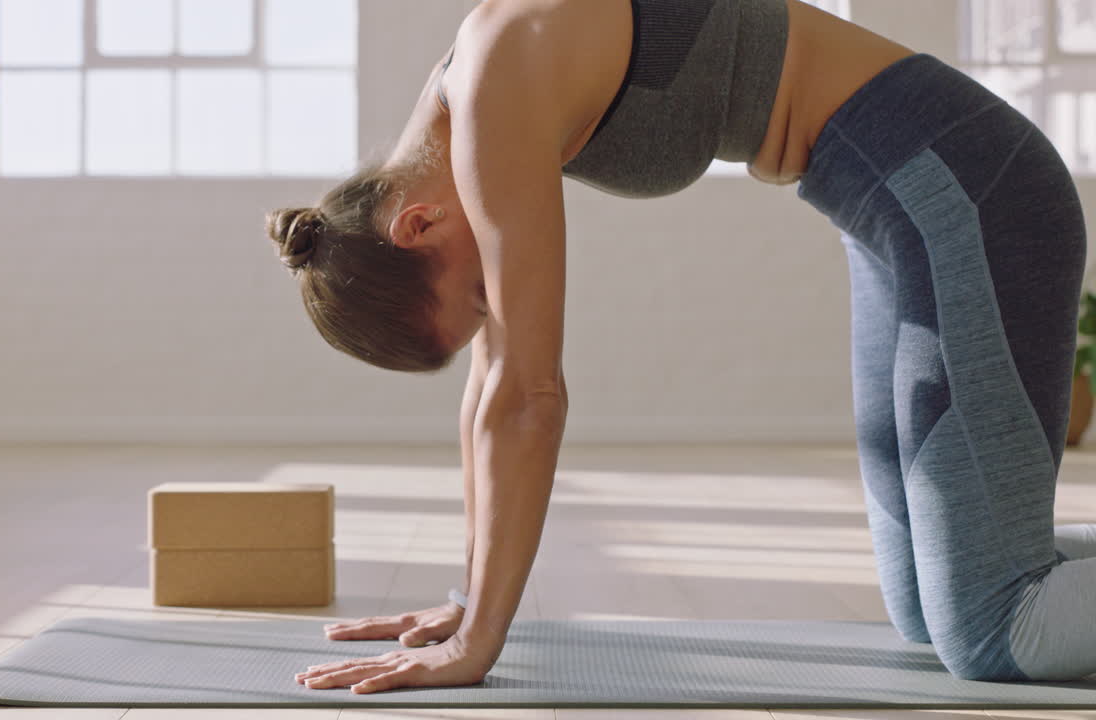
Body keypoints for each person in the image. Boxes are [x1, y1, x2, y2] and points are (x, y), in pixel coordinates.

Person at [270, 0, 1095, 695]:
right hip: (893, 220)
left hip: (966, 191)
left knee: (990, 626)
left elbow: (530, 394)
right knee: (925, 608)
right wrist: (470, 595)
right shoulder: (456, 117)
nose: (495, 309)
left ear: (415, 227)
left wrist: (481, 641)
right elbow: (492, 387)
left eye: (477, 297)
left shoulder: (493, 82)